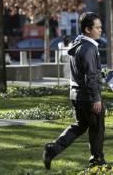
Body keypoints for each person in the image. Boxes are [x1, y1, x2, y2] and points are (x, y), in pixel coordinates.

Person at [43, 12, 106, 169]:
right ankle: (97, 160)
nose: (100, 30)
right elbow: (90, 77)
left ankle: (53, 149)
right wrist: (96, 98)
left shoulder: (77, 44)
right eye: (97, 27)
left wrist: (105, 73)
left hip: (76, 95)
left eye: (101, 27)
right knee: (97, 128)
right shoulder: (89, 48)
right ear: (87, 29)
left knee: (80, 125)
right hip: (88, 97)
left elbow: (86, 72)